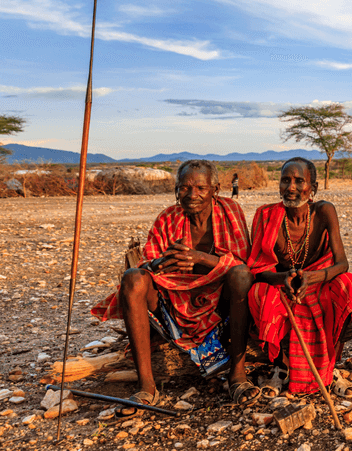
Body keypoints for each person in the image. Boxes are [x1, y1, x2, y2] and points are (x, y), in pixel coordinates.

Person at [91, 160, 258, 413]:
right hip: (172, 302)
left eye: (201, 188)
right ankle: (146, 387)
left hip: (219, 302)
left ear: (215, 189)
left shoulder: (230, 210)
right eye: (184, 187)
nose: (192, 194)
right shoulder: (168, 217)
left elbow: (243, 263)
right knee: (132, 278)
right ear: (176, 190)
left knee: (242, 276)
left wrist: (200, 258)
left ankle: (237, 376)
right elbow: (148, 263)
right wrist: (163, 262)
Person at [246, 158, 352, 395]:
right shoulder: (266, 215)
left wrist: (312, 278)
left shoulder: (324, 211)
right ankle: (281, 366)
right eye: (285, 180)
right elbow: (257, 269)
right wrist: (284, 279)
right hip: (282, 284)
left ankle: (329, 366)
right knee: (258, 293)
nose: (291, 187)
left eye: (299, 181)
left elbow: (342, 263)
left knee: (347, 284)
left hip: (318, 281)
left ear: (313, 188)